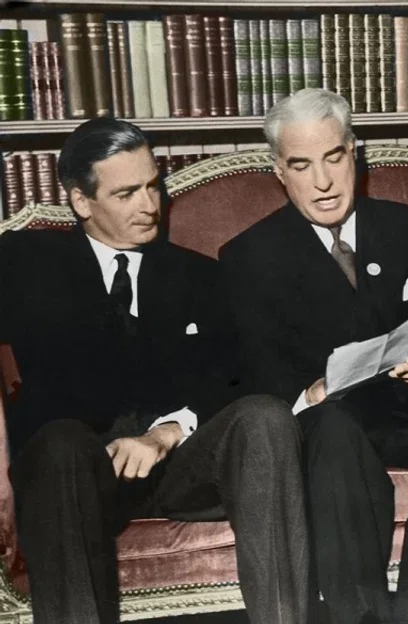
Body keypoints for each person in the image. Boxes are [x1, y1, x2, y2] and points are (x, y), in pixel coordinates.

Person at [0, 117, 309, 624]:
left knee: (265, 417)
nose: (149, 206)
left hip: (173, 463)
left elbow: (240, 376)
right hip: (73, 469)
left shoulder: (200, 276)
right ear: (81, 201)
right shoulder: (27, 260)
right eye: (126, 194)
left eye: (152, 186)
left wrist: (167, 432)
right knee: (61, 446)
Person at [217, 88, 408, 624]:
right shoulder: (248, 257)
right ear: (279, 171)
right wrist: (311, 391)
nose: (323, 182)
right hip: (329, 421)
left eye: (333, 158)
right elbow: (250, 372)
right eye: (301, 166)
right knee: (334, 438)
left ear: (356, 152)